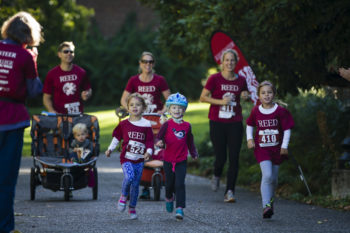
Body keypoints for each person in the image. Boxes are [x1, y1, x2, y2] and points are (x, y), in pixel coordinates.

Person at [0, 11, 44, 232]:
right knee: (6, 179)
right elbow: (35, 90)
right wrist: (33, 60)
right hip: (12, 120)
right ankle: (5, 227)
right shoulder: (24, 56)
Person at [199, 49, 250, 202]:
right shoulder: (214, 78)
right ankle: (216, 174)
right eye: (226, 60)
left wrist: (245, 96)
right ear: (222, 62)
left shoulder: (241, 80)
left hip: (235, 122)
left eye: (232, 60)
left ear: (236, 62)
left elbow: (245, 95)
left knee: (234, 157)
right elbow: (203, 97)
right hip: (217, 121)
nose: (229, 63)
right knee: (221, 157)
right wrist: (221, 102)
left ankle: (230, 191)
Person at [120, 51, 171, 199]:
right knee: (138, 149)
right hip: (140, 120)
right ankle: (141, 183)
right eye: (144, 61)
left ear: (153, 64)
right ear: (140, 63)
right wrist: (130, 110)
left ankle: (155, 179)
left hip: (156, 120)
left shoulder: (160, 80)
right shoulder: (134, 80)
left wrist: (163, 111)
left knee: (156, 147)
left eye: (150, 62)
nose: (147, 64)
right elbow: (124, 99)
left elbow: (169, 99)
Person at [246, 80, 294, 219]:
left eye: (269, 92)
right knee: (267, 175)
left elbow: (287, 129)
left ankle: (270, 201)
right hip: (262, 149)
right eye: (263, 93)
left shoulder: (280, 111)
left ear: (274, 94)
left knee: (273, 178)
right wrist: (249, 139)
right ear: (259, 95)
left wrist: (284, 146)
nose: (266, 95)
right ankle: (266, 205)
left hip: (277, 149)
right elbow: (250, 125)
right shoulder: (256, 110)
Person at [105, 93, 154, 219]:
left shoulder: (146, 124)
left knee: (136, 185)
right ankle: (123, 195)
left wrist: (149, 151)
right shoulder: (124, 124)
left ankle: (132, 208)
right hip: (126, 158)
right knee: (129, 177)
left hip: (139, 160)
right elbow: (117, 137)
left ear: (143, 108)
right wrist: (110, 149)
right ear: (127, 108)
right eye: (131, 105)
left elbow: (149, 141)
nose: (134, 107)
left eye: (138, 105)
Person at [155, 93, 199, 220]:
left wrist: (194, 152)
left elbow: (190, 141)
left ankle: (180, 208)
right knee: (169, 184)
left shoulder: (187, 126)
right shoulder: (167, 125)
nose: (177, 110)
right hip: (168, 160)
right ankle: (169, 197)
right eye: (174, 108)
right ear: (169, 110)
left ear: (184, 110)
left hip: (181, 160)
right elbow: (159, 137)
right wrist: (159, 142)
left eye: (180, 108)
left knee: (180, 184)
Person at [43, 41, 92, 114]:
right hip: (59, 117)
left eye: (71, 52)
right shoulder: (52, 74)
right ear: (59, 54)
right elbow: (46, 97)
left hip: (78, 116)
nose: (69, 53)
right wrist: (51, 110)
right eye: (66, 51)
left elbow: (89, 89)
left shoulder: (81, 72)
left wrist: (87, 94)